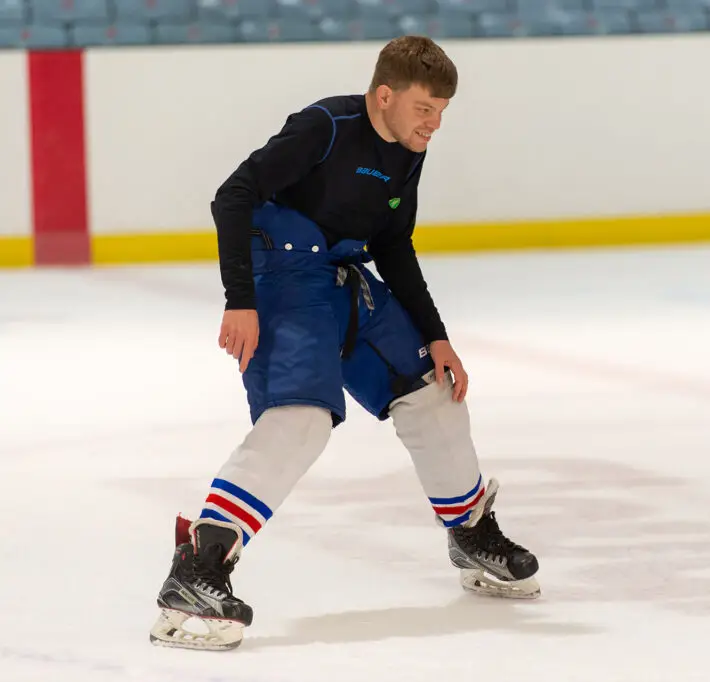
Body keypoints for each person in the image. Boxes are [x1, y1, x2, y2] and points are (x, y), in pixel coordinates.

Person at [148, 36, 540, 651]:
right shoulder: (324, 126)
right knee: (301, 419)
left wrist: (437, 337)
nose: (434, 123)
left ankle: (470, 532)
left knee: (433, 393)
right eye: (423, 108)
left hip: (345, 277)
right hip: (283, 276)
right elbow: (234, 196)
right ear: (384, 95)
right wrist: (240, 300)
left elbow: (393, 243)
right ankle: (199, 569)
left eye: (442, 111)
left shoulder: (408, 150)